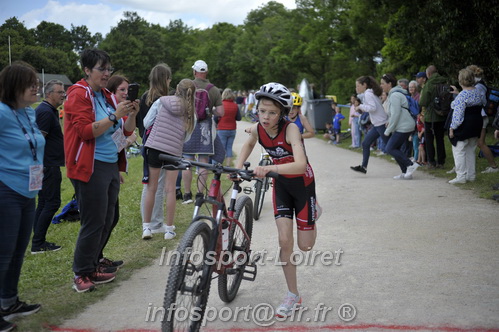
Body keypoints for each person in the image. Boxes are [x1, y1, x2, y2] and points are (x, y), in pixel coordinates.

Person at [235, 82, 320, 318]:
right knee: (285, 242)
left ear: (282, 113)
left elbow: (301, 165)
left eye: (272, 113)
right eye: (262, 111)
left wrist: (270, 167)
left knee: (306, 246)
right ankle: (293, 294)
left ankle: (314, 212)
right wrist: (238, 167)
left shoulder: (291, 129)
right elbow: (249, 142)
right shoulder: (257, 127)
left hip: (303, 185)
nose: (266, 117)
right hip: (281, 185)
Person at [64, 49, 138, 293]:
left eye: (109, 69)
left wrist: (131, 115)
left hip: (109, 163)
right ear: (87, 70)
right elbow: (86, 131)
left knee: (109, 218)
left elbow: (126, 132)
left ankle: (93, 263)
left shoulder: (105, 95)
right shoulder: (78, 94)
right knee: (93, 221)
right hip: (89, 166)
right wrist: (116, 115)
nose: (107, 74)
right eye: (101, 69)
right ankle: (81, 273)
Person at [0, 61, 44, 331]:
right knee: (3, 253)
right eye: (30, 83)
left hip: (29, 190)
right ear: (13, 86)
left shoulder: (29, 113)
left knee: (17, 251)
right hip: (7, 190)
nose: (35, 87)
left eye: (36, 83)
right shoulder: (2, 113)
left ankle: (9, 300)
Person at [141, 79, 196, 240]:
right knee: (170, 189)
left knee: (152, 187)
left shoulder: (161, 101)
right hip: (173, 151)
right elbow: (186, 137)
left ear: (177, 89)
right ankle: (170, 230)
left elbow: (146, 122)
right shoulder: (190, 112)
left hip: (155, 147)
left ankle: (147, 227)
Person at [137, 64, 177, 239]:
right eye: (168, 78)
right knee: (158, 186)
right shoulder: (164, 99)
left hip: (148, 142)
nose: (170, 81)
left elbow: (141, 123)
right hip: (162, 144)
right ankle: (155, 222)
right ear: (164, 79)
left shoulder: (145, 97)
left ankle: (151, 221)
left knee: (151, 184)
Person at [30, 79, 66, 254]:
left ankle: (37, 240)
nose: (63, 95)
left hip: (46, 164)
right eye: (60, 92)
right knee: (52, 202)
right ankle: (38, 243)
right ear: (49, 94)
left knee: (44, 202)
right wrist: (40, 165)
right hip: (47, 165)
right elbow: (38, 140)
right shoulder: (45, 112)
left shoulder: (48, 110)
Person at [182, 60, 224, 204]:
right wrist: (210, 110)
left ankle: (187, 194)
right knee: (203, 162)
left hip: (189, 127)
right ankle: (200, 194)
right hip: (205, 128)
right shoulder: (213, 89)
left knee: (187, 161)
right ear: (206, 72)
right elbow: (221, 112)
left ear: (194, 72)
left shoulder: (187, 86)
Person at [446, 68, 483, 184]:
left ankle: (461, 176)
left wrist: (452, 128)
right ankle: (471, 175)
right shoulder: (478, 92)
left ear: (461, 80)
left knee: (459, 149)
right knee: (471, 150)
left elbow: (458, 115)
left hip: (464, 125)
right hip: (476, 123)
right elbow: (484, 103)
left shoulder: (462, 96)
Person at [380, 73, 420, 179]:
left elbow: (396, 114)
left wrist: (388, 130)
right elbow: (394, 113)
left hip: (404, 126)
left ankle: (410, 165)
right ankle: (405, 172)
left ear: (389, 84)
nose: (381, 86)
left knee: (389, 148)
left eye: (383, 83)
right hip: (403, 125)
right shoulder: (394, 94)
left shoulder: (395, 95)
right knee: (395, 148)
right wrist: (389, 121)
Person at [350, 76, 389, 174]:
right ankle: (364, 167)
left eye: (358, 86)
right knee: (365, 143)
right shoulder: (370, 92)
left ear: (364, 85)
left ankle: (408, 164)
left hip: (381, 123)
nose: (356, 88)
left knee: (390, 147)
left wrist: (360, 106)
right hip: (377, 124)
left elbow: (372, 108)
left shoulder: (368, 94)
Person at [466, 65, 498, 173]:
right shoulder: (479, 84)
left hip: (481, 117)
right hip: (480, 116)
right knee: (476, 142)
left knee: (480, 143)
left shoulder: (478, 86)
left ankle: (493, 166)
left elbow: (477, 101)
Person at [419, 65, 448, 168]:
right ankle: (441, 162)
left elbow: (423, 102)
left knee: (429, 140)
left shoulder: (429, 84)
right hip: (442, 115)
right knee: (440, 139)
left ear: (428, 74)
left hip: (430, 117)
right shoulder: (445, 82)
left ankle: (431, 162)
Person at [217, 88, 240, 166]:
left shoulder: (221, 104)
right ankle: (228, 165)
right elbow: (239, 118)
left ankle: (219, 164)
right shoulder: (235, 105)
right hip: (232, 129)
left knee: (222, 148)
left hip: (222, 129)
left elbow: (216, 117)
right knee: (229, 147)